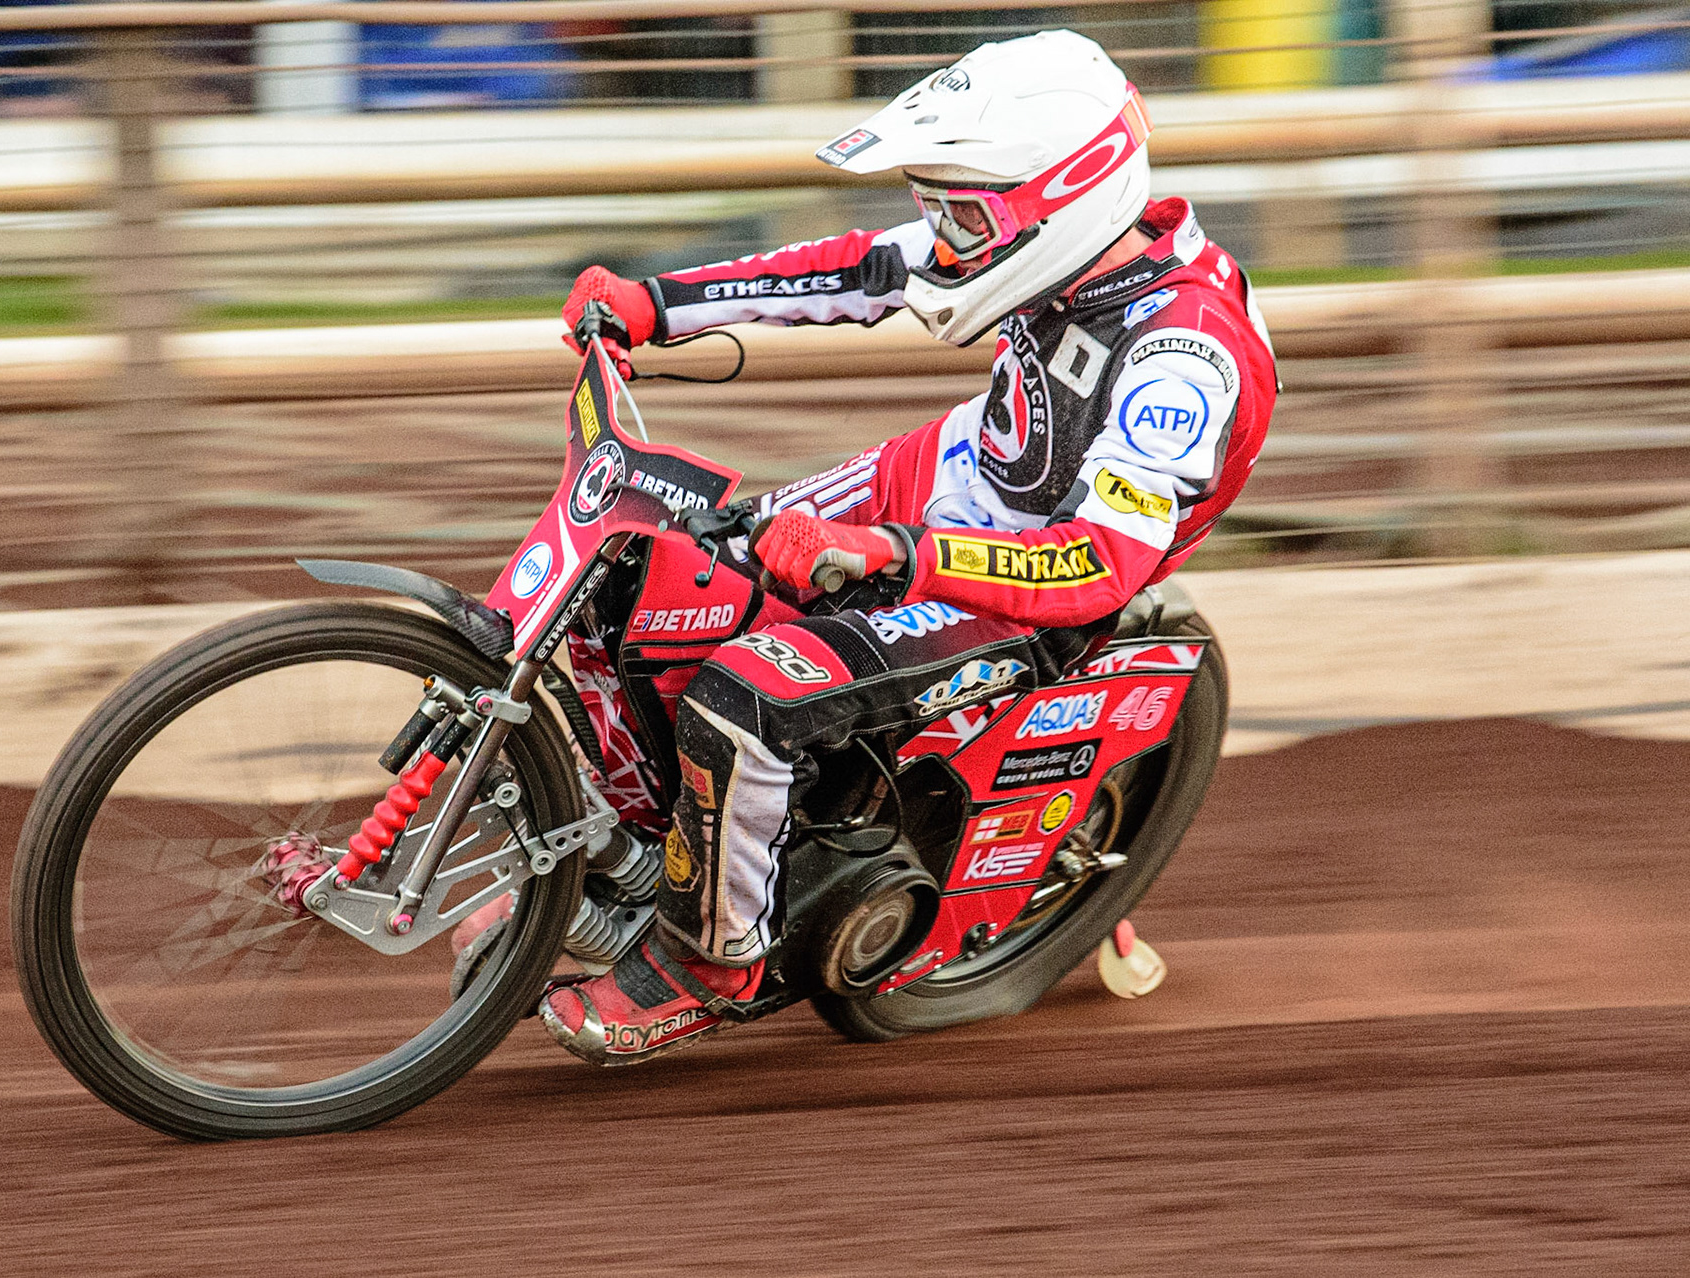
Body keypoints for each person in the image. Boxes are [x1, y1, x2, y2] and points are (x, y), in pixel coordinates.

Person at [537, 30, 1277, 1065]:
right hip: (946, 482)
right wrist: (659, 304)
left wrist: (886, 553)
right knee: (645, 582)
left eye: (962, 213)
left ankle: (709, 964)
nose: (945, 236)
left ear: (1072, 197)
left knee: (746, 696)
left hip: (1023, 585)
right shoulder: (1065, 243)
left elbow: (1095, 565)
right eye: (938, 205)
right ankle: (657, 860)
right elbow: (867, 266)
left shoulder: (1180, 361)